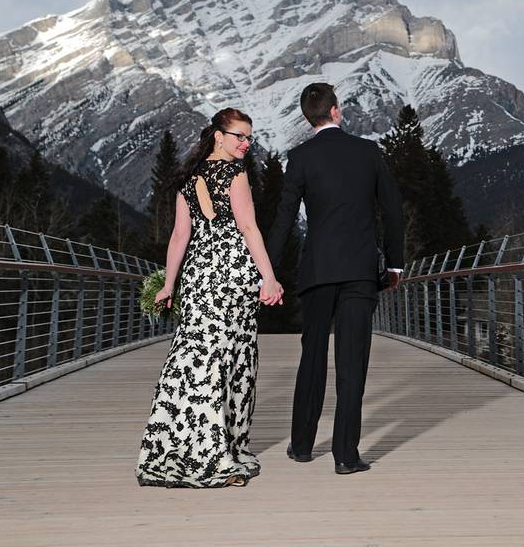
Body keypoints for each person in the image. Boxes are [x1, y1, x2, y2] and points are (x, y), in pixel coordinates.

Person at [135, 108, 284, 488]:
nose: (245, 144)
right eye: (239, 136)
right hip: (233, 275)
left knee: (193, 359)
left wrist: (170, 284)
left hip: (200, 277)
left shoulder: (188, 178)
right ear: (218, 135)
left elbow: (179, 237)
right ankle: (220, 451)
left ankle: (172, 448)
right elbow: (248, 227)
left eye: (249, 138)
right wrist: (269, 278)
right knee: (232, 359)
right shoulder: (235, 174)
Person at [265, 82, 404, 475]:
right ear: (336, 111)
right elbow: (393, 211)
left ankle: (302, 445)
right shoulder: (368, 152)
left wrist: (268, 270)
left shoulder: (300, 157)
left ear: (309, 119)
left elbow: (284, 219)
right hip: (360, 271)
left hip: (318, 272)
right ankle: (346, 455)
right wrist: (395, 265)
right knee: (351, 361)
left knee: (312, 358)